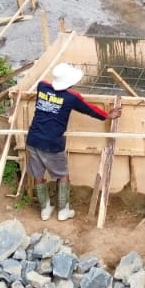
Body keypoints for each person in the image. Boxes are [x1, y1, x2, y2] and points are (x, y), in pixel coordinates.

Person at [26, 63, 120, 222]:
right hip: (52, 143)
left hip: (33, 139)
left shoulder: (42, 87)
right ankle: (63, 211)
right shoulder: (71, 97)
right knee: (63, 175)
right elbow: (89, 109)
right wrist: (108, 116)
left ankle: (45, 210)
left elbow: (47, 83)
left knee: (38, 174)